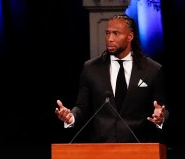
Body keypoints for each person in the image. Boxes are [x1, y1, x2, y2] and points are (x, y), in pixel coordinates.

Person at [55, 14, 168, 143]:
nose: (110, 38)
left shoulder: (152, 69)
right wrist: (71, 117)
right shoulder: (91, 68)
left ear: (130, 37)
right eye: (107, 33)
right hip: (101, 149)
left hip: (139, 149)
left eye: (116, 33)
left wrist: (161, 117)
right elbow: (82, 106)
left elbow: (162, 108)